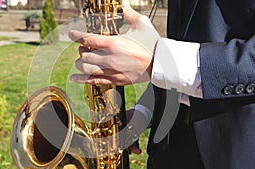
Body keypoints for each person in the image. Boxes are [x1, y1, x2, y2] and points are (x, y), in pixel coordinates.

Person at [69, 0, 255, 168]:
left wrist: (159, 60)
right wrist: (144, 112)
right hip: (167, 148)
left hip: (238, 151)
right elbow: (184, 46)